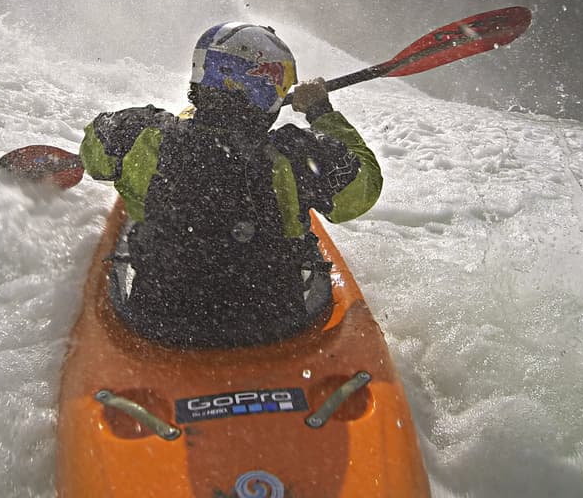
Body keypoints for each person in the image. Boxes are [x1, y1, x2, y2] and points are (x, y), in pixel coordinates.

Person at [79, 21, 383, 348]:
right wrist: (321, 111)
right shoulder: (295, 156)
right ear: (265, 88)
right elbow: (362, 189)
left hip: (159, 322)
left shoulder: (147, 136)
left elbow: (94, 152)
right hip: (275, 327)